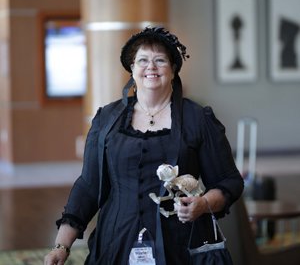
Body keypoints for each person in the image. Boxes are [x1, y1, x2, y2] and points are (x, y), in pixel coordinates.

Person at [44, 26, 244, 265]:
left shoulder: (198, 119)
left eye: (160, 60)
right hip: (116, 239)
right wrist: (61, 246)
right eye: (142, 60)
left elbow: (229, 181)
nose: (151, 67)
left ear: (173, 70)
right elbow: (88, 186)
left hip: (180, 243)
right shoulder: (107, 119)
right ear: (132, 68)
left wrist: (203, 204)